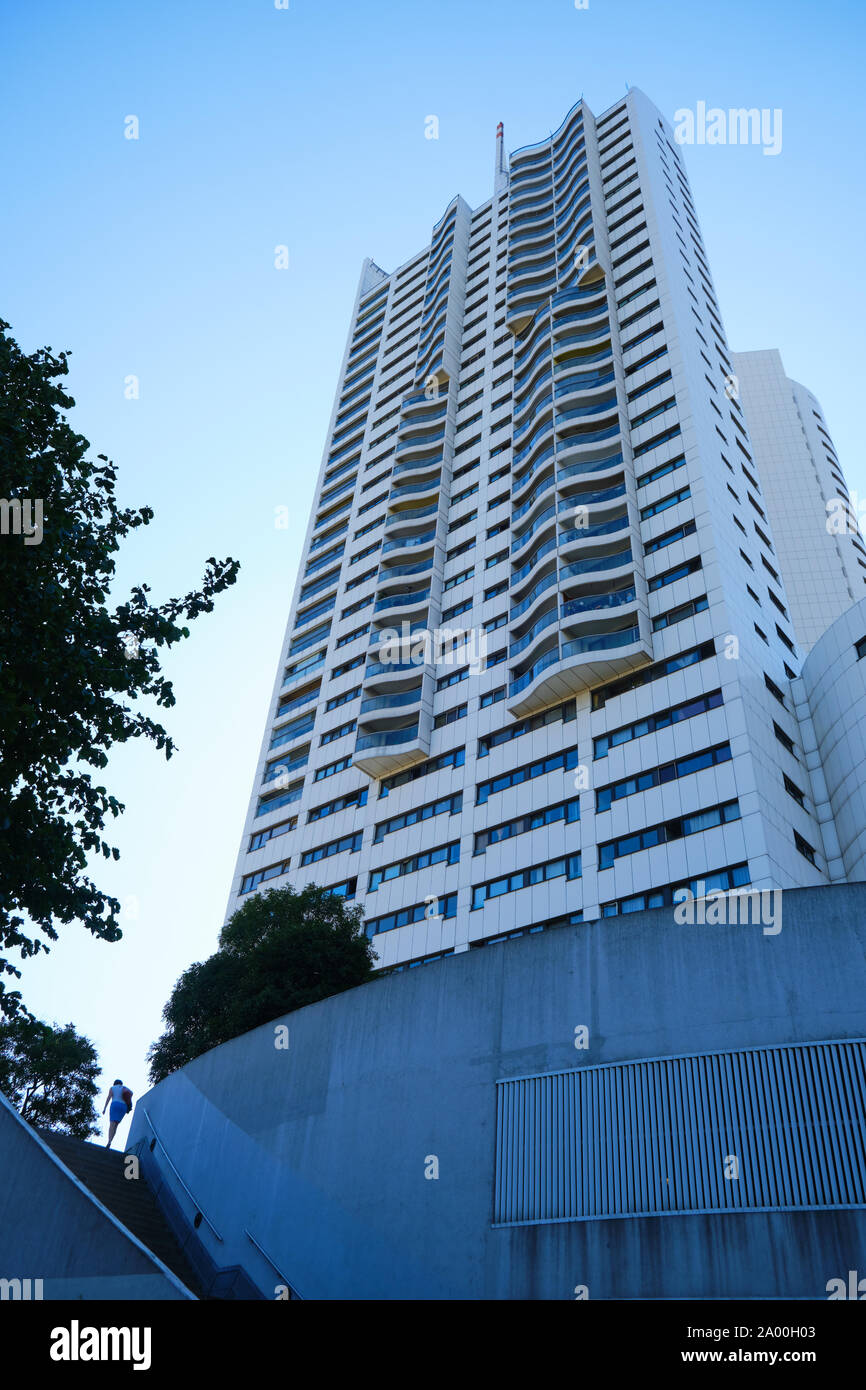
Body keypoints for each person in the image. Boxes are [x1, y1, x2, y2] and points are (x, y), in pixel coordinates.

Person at [102, 1078, 130, 1149]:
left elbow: (109, 1097)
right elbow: (131, 1094)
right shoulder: (125, 1088)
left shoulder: (112, 1088)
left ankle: (109, 1141)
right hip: (123, 1106)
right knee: (116, 1125)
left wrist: (104, 1108)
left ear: (114, 1083)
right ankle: (111, 1140)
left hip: (115, 1104)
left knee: (112, 1124)